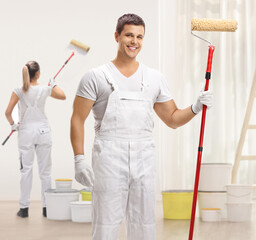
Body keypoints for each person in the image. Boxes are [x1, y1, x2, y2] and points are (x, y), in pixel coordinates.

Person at [70, 13, 213, 240]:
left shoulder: (154, 78)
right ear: (116, 36)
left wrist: (195, 107)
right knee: (105, 224)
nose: (134, 41)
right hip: (109, 158)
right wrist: (79, 159)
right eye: (128, 35)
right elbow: (77, 118)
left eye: (139, 37)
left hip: (144, 157)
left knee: (144, 225)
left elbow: (172, 119)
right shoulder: (95, 77)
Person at [5, 61, 66, 218]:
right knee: (45, 172)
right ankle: (46, 208)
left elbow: (8, 112)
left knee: (26, 171)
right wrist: (54, 85)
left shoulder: (18, 91)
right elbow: (63, 96)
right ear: (38, 73)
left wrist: (13, 125)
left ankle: (24, 209)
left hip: (26, 133)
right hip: (43, 132)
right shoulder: (45, 89)